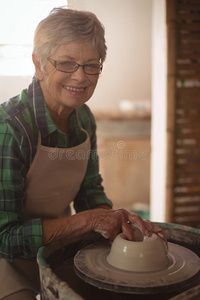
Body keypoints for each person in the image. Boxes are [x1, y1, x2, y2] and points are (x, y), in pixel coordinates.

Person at [0, 7, 166, 300]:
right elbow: (4, 238)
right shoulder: (11, 128)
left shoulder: (84, 119)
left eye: (92, 65)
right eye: (66, 63)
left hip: (51, 250)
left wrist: (113, 219)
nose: (80, 77)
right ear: (39, 64)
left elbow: (90, 191)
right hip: (6, 262)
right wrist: (89, 221)